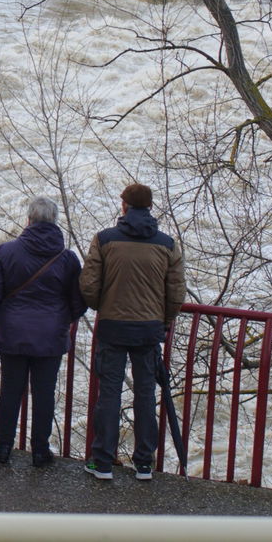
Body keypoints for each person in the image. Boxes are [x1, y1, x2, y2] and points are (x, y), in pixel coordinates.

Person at [80, 183, 185, 481]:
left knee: (109, 393)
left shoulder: (104, 240)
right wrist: (163, 320)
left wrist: (104, 305)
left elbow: (88, 285)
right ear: (150, 207)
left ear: (124, 206)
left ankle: (102, 461)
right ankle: (144, 464)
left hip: (113, 325)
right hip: (149, 329)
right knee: (145, 394)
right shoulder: (167, 244)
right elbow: (176, 292)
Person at [0, 196, 85, 467]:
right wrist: (61, 319)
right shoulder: (68, 259)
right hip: (50, 336)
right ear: (55, 221)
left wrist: (4, 312)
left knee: (10, 390)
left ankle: (4, 446)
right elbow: (78, 300)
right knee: (44, 393)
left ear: (29, 219)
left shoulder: (6, 251)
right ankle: (40, 450)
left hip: (13, 332)